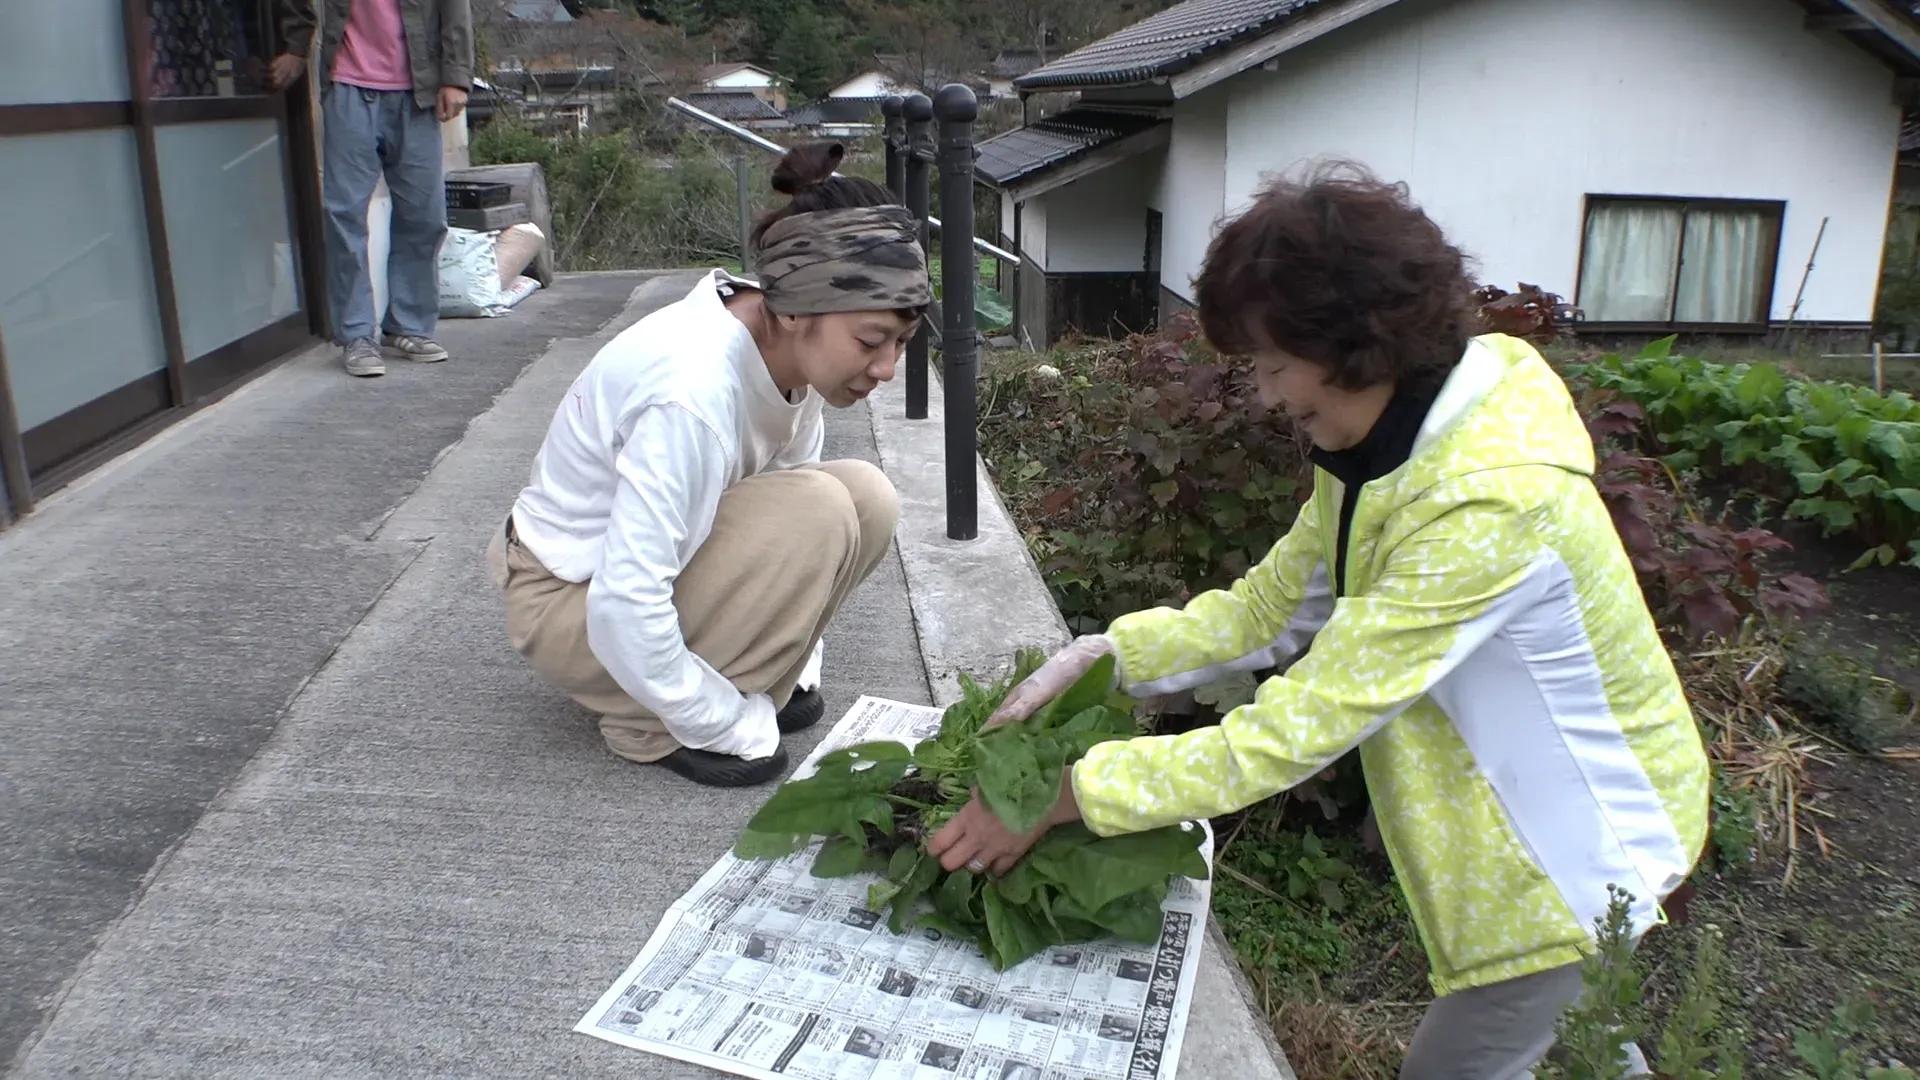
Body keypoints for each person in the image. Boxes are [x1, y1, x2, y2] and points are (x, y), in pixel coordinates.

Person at [929, 166, 1709, 1077]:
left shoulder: (1487, 505)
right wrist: (1106, 653)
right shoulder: (1384, 443)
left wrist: (1066, 795)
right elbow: (1269, 611)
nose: (1265, 395)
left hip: (1578, 855)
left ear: (1351, 346)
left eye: (1271, 365)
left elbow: (1291, 734)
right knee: (1582, 1049)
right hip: (1519, 837)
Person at [486, 143, 927, 787]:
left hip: (622, 584)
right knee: (824, 508)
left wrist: (788, 661)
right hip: (569, 604)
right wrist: (722, 719)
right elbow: (625, 602)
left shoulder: (786, 350)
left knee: (864, 496)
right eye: (870, 340)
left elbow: (788, 510)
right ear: (797, 308)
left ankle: (741, 670)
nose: (887, 368)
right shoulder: (690, 392)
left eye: (902, 343)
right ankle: (644, 721)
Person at [272, 0, 473, 377]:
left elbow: (454, 9)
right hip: (348, 84)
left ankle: (409, 325)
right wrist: (296, 46)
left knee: (424, 215)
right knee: (344, 213)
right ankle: (356, 333)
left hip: (418, 88)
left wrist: (455, 75)